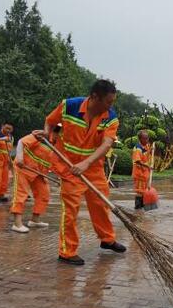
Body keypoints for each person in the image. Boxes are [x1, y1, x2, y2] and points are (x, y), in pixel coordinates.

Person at [42, 79, 126, 265]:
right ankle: (67, 251)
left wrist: (87, 163)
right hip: (69, 167)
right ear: (95, 97)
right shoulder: (69, 106)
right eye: (108, 102)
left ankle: (107, 239)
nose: (110, 106)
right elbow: (51, 122)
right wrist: (50, 133)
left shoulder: (110, 117)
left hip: (93, 167)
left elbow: (106, 144)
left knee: (101, 203)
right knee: (70, 209)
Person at [10, 126, 60, 233]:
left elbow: (57, 164)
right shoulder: (42, 136)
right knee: (21, 194)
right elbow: (21, 142)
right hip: (23, 167)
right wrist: (19, 158)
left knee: (44, 194)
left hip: (39, 172)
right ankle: (17, 224)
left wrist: (61, 178)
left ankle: (34, 220)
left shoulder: (60, 145)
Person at [132, 130, 153, 209]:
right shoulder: (138, 148)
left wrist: (153, 148)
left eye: (147, 138)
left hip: (145, 174)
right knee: (139, 191)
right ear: (140, 139)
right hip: (139, 174)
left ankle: (142, 208)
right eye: (145, 139)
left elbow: (149, 151)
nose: (147, 140)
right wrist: (147, 166)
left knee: (144, 191)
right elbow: (137, 161)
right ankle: (137, 208)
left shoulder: (146, 146)